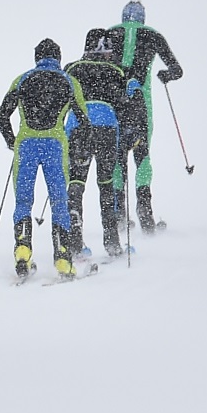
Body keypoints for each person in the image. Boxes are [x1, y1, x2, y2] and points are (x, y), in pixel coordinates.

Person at [0, 40, 93, 281]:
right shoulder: (69, 81)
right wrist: (79, 148)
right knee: (59, 201)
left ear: (36, 58)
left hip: (26, 145)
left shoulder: (22, 79)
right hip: (56, 147)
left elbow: (1, 116)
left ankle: (22, 252)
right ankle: (62, 258)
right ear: (58, 58)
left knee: (23, 201)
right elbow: (84, 120)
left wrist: (12, 141)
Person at [110, 1, 185, 232]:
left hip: (114, 103)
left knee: (116, 157)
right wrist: (165, 75)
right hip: (141, 104)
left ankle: (118, 215)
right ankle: (145, 215)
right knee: (142, 156)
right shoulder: (153, 36)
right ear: (143, 18)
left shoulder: (111, 33)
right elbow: (177, 70)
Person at [63, 31, 136, 257]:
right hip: (106, 128)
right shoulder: (116, 71)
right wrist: (131, 134)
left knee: (76, 181)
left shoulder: (71, 69)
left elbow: (62, 99)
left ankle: (74, 238)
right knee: (106, 184)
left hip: (78, 127)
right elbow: (126, 106)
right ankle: (112, 241)